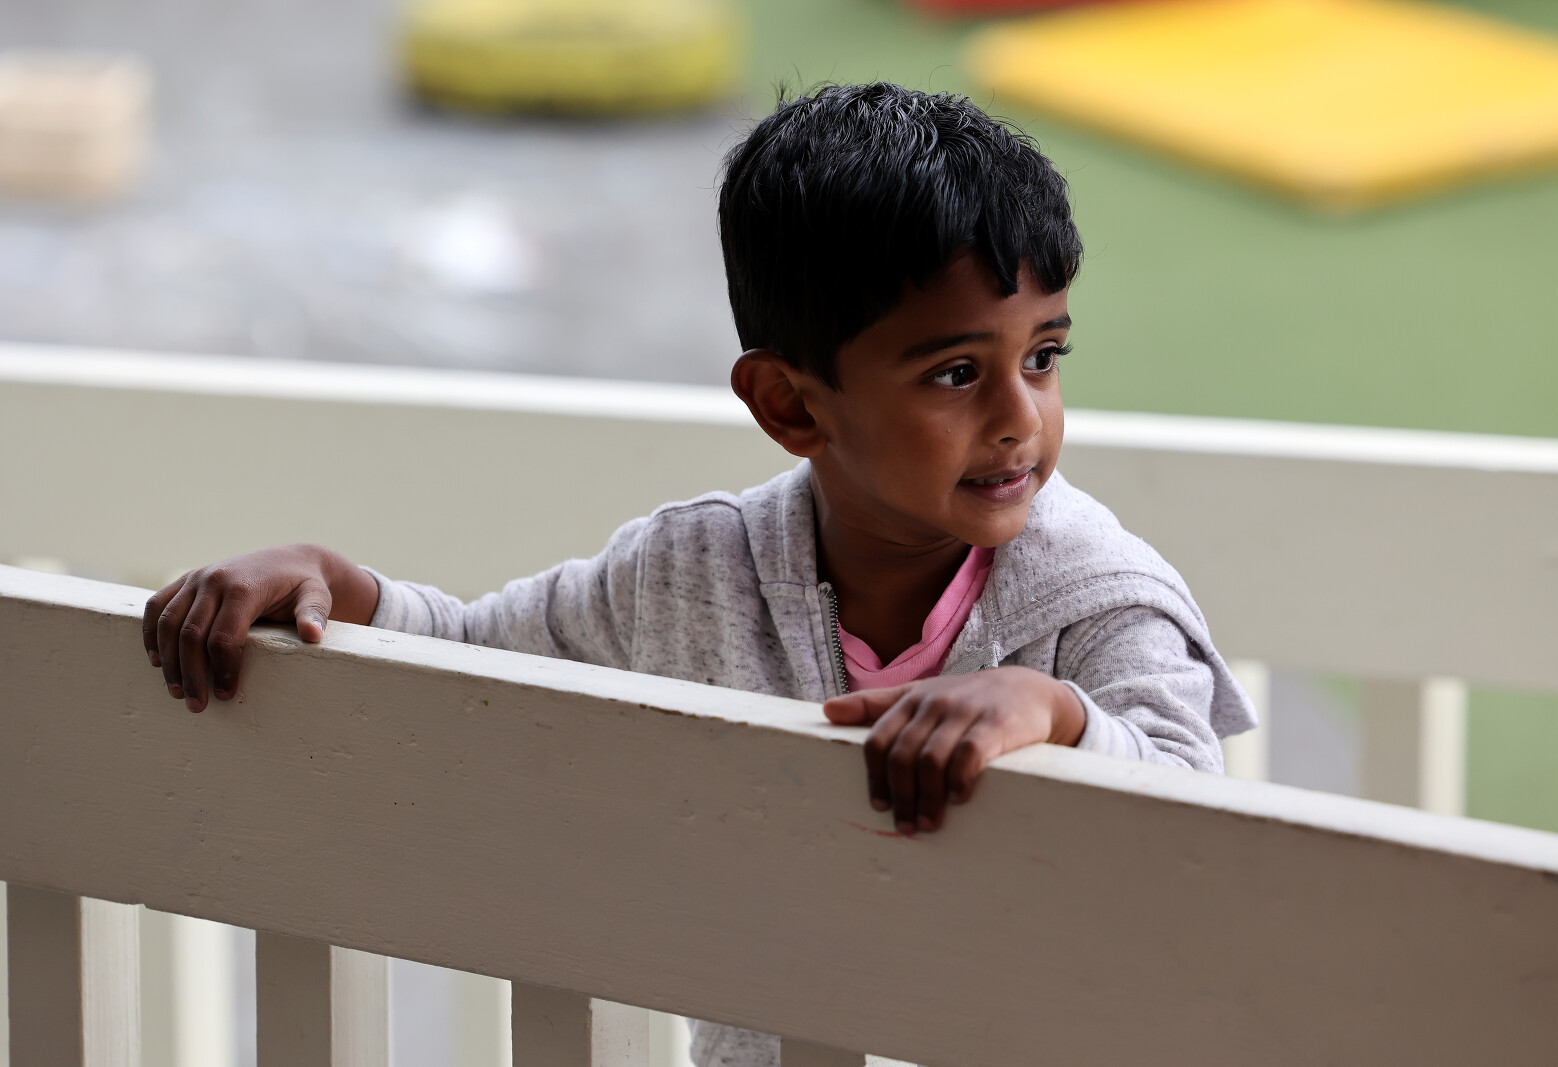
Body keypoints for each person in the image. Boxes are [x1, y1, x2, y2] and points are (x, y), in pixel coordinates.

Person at [142, 82, 1255, 1067]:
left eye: (1044, 357)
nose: (1021, 417)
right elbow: (478, 655)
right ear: (790, 405)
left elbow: (1199, 830)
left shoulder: (1097, 595)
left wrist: (1057, 716)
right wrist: (335, 581)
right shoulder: (692, 571)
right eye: (957, 372)